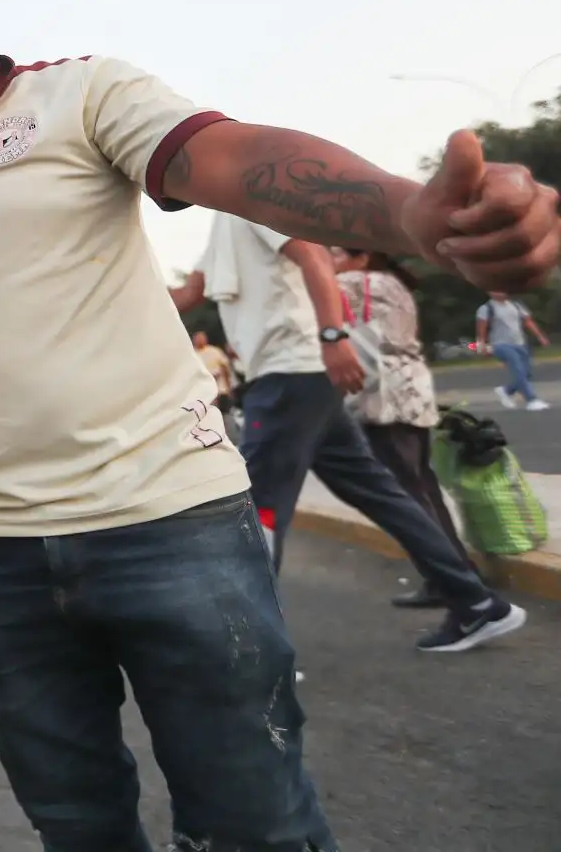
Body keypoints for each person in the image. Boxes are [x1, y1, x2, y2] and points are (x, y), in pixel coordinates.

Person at [0, 0, 559, 851]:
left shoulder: (81, 94)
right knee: (78, 827)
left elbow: (232, 158)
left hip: (169, 517)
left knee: (257, 822)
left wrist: (410, 212)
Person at [175, 215, 524, 650]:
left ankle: (251, 651)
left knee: (255, 510)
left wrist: (332, 336)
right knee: (381, 493)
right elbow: (187, 295)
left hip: (290, 375)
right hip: (300, 379)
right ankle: (475, 603)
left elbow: (313, 255)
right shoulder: (222, 225)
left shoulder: (249, 202)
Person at [331, 248, 468, 608]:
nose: (327, 260)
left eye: (333, 253)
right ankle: (456, 573)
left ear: (361, 259)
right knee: (423, 487)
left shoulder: (357, 283)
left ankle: (451, 580)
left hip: (386, 399)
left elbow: (306, 294)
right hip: (412, 392)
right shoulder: (393, 284)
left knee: (409, 494)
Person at [476, 291, 550, 410]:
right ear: (490, 292)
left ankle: (506, 390)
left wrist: (540, 336)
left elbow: (528, 321)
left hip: (520, 343)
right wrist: (481, 345)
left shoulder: (516, 305)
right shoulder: (486, 308)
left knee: (526, 373)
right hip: (500, 344)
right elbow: (481, 328)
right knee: (518, 369)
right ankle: (532, 400)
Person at [191, 330, 235, 417]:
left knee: (226, 415)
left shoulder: (215, 351)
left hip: (221, 389)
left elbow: (225, 369)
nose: (200, 340)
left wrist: (228, 386)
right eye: (197, 338)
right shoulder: (193, 356)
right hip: (205, 393)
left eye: (202, 337)